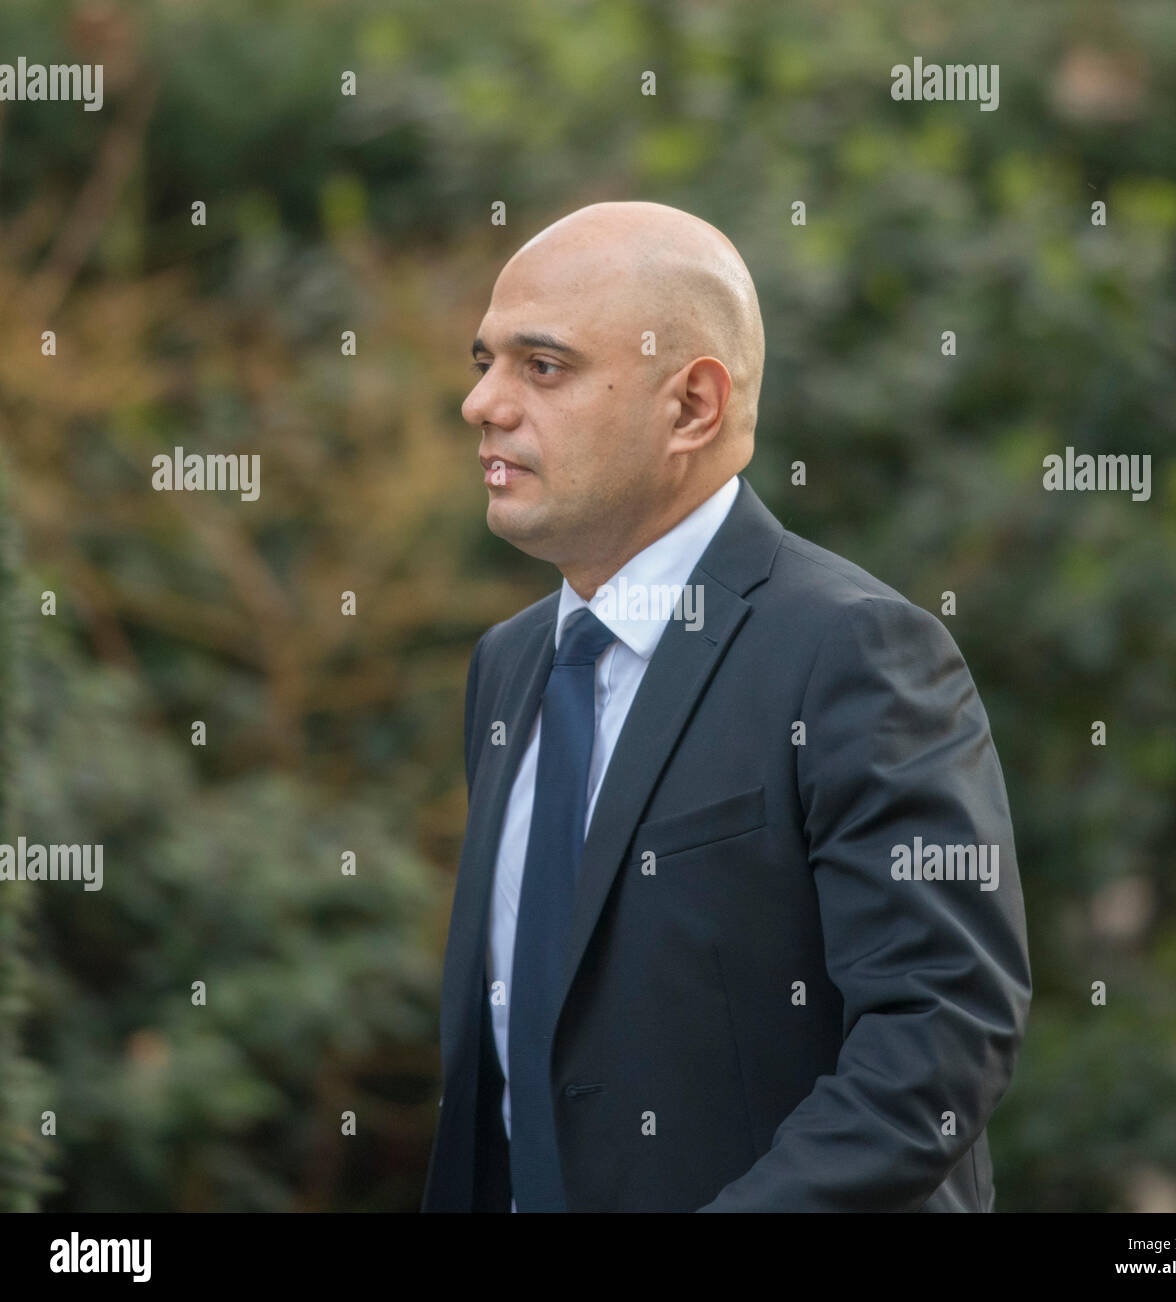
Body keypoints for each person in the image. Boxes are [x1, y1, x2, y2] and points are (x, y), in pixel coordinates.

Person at [421, 201, 1031, 1212]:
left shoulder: (853, 650)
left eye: (542, 367)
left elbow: (938, 1037)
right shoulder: (508, 663)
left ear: (692, 406)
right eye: (482, 361)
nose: (482, 403)